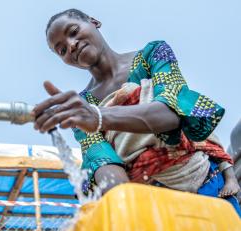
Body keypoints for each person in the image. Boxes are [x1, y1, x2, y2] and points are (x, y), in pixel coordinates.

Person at [32, 8, 241, 216]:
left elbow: (171, 112)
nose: (71, 45)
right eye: (61, 50)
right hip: (152, 205)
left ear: (94, 21)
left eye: (74, 31)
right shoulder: (83, 105)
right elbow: (102, 160)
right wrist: (129, 208)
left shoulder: (153, 55)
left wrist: (98, 117)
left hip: (206, 184)